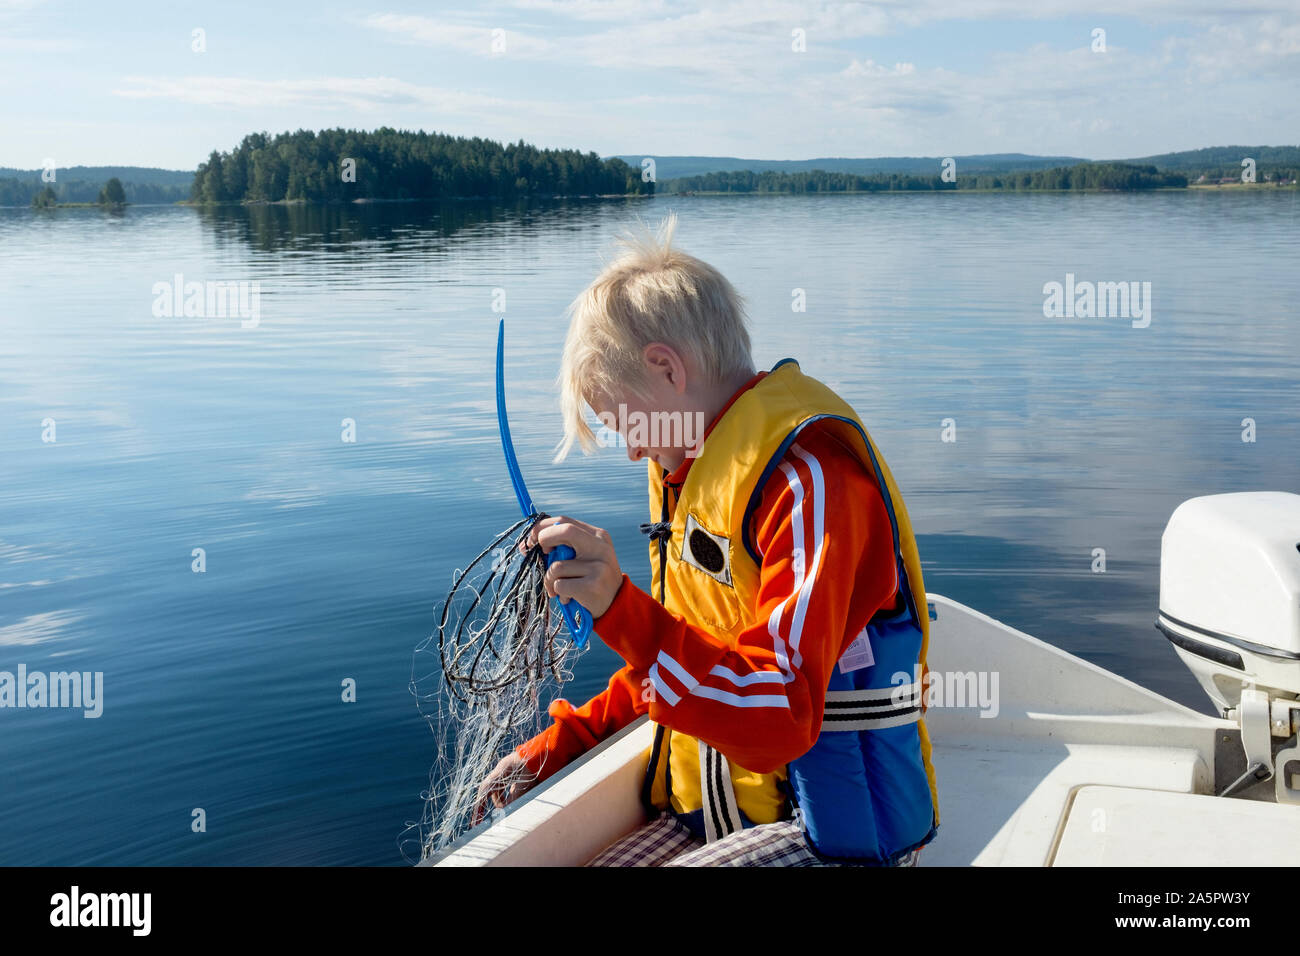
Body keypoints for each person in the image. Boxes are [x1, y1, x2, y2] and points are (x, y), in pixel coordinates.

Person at [474, 212, 940, 866]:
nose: (631, 446)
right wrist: (567, 740)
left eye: (620, 420)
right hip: (710, 822)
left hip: (823, 837)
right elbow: (684, 654)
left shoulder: (810, 483)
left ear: (666, 368)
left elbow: (779, 715)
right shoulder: (689, 474)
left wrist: (618, 608)